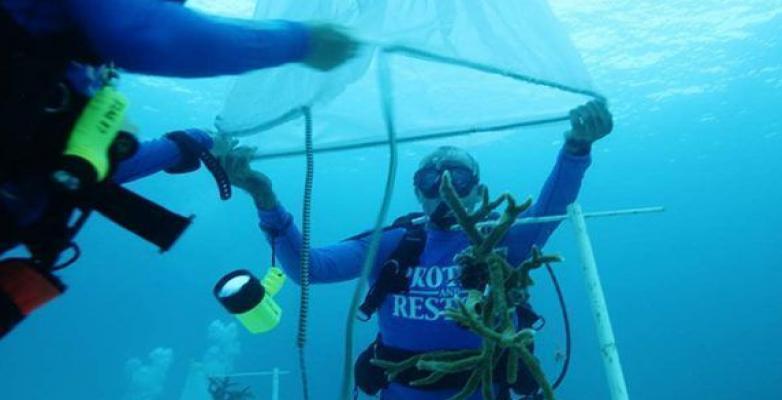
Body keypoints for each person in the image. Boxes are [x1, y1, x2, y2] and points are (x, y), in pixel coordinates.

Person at [0, 0, 358, 337]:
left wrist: (194, 142)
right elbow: (143, 33)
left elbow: (91, 170)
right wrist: (303, 41)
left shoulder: (62, 60)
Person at [219, 100, 613, 399]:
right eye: (431, 179)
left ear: (476, 191)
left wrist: (577, 148)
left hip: (483, 386)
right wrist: (264, 196)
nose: (443, 189)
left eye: (457, 179)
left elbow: (551, 207)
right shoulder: (395, 242)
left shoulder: (503, 240)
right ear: (417, 191)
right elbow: (312, 268)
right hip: (401, 388)